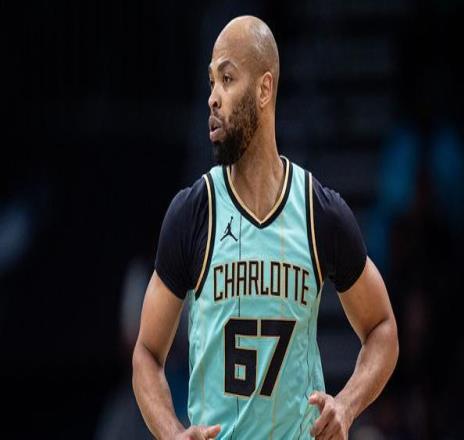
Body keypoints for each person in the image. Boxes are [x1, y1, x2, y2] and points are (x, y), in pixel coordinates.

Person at [132, 15, 398, 440]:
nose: (212, 98)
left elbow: (382, 328)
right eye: (211, 82)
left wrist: (347, 405)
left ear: (264, 89)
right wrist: (171, 433)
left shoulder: (319, 212)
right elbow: (146, 353)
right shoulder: (192, 212)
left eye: (227, 79)